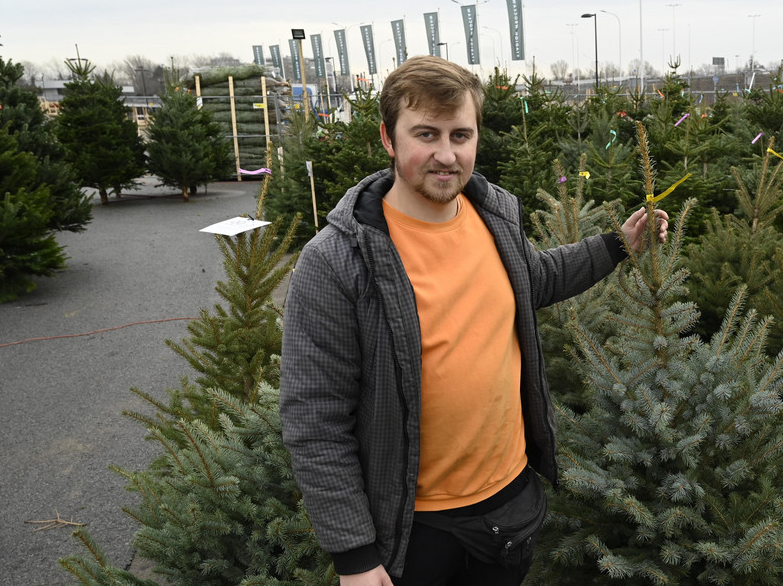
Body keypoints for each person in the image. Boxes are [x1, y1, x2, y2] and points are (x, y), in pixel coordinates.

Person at [280, 55, 668, 586]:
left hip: (509, 506)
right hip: (415, 530)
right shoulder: (338, 259)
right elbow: (315, 419)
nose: (446, 154)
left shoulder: (494, 216)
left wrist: (618, 245)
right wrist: (354, 556)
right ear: (389, 140)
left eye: (460, 135)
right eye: (426, 134)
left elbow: (537, 278)